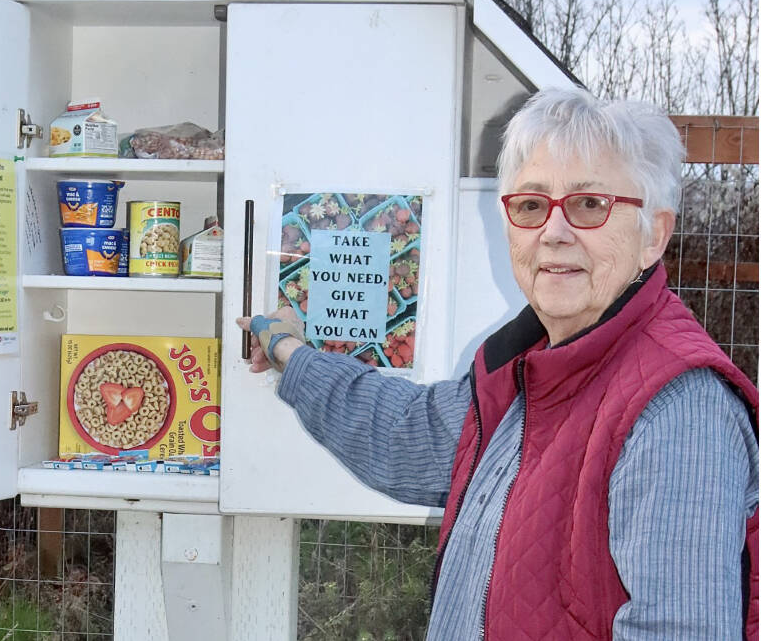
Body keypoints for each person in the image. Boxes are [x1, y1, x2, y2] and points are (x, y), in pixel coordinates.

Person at [240, 88, 758, 640]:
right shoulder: (529, 375)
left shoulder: (676, 409)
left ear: (654, 234)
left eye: (589, 205)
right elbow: (403, 432)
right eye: (532, 205)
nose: (554, 234)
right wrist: (288, 352)